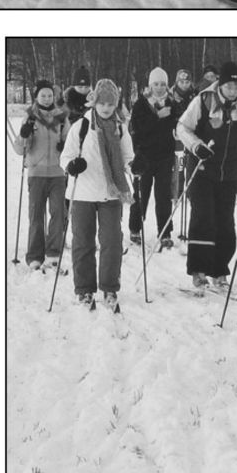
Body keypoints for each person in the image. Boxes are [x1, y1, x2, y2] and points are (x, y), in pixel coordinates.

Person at [177, 60, 237, 294]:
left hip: (229, 171)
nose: (232, 90)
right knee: (203, 218)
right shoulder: (203, 100)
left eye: (236, 85)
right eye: (228, 86)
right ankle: (199, 271)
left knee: (225, 222)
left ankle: (220, 271)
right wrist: (196, 145)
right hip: (202, 168)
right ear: (220, 84)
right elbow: (182, 127)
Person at [60, 78, 134, 311]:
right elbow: (65, 157)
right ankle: (84, 289)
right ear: (94, 102)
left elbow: (128, 158)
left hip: (110, 195)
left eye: (111, 104)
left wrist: (136, 166)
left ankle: (110, 287)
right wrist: (72, 166)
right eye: (102, 103)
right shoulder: (80, 127)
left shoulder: (120, 128)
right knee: (83, 242)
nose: (106, 108)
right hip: (82, 194)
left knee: (112, 242)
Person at [11, 81, 68, 269]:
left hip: (58, 173)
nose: (47, 98)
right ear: (36, 97)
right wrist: (24, 134)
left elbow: (71, 141)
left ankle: (53, 252)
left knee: (58, 213)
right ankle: (34, 255)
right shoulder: (30, 118)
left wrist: (64, 146)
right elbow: (19, 149)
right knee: (36, 215)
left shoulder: (61, 118)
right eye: (43, 95)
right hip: (36, 173)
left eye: (50, 95)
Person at [128, 68, 178, 251]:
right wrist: (156, 117)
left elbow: (177, 126)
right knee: (141, 194)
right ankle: (135, 228)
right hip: (144, 157)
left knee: (164, 195)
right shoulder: (141, 104)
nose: (159, 88)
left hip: (164, 156)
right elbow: (137, 129)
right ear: (150, 85)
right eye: (156, 84)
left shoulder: (171, 103)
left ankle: (165, 231)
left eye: (163, 84)